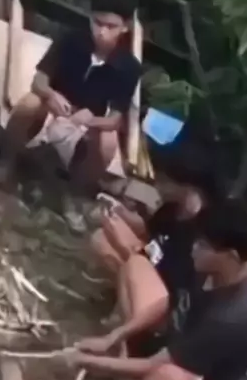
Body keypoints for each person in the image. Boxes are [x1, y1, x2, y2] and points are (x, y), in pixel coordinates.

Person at [62, 198, 247, 380]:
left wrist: (84, 361)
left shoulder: (232, 318)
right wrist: (113, 337)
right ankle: (125, 373)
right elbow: (168, 302)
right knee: (136, 266)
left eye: (203, 245)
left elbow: (153, 366)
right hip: (177, 342)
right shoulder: (213, 266)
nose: (194, 248)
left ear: (231, 256)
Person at [3, 0, 142, 230]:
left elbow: (115, 120)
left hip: (88, 121)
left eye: (111, 26)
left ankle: (73, 192)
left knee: (108, 142)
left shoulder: (128, 67)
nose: (102, 32)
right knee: (29, 103)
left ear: (125, 27)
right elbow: (39, 80)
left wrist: (90, 120)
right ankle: (8, 162)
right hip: (55, 106)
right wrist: (51, 94)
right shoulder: (71, 39)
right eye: (97, 23)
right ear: (90, 18)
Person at [85, 141, 225, 358]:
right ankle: (125, 309)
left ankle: (131, 338)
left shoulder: (201, 233)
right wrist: (120, 212)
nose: (157, 184)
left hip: (168, 305)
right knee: (102, 240)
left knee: (133, 264)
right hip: (154, 269)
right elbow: (150, 232)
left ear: (188, 189)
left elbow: (173, 281)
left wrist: (128, 249)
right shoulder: (173, 209)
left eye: (164, 180)